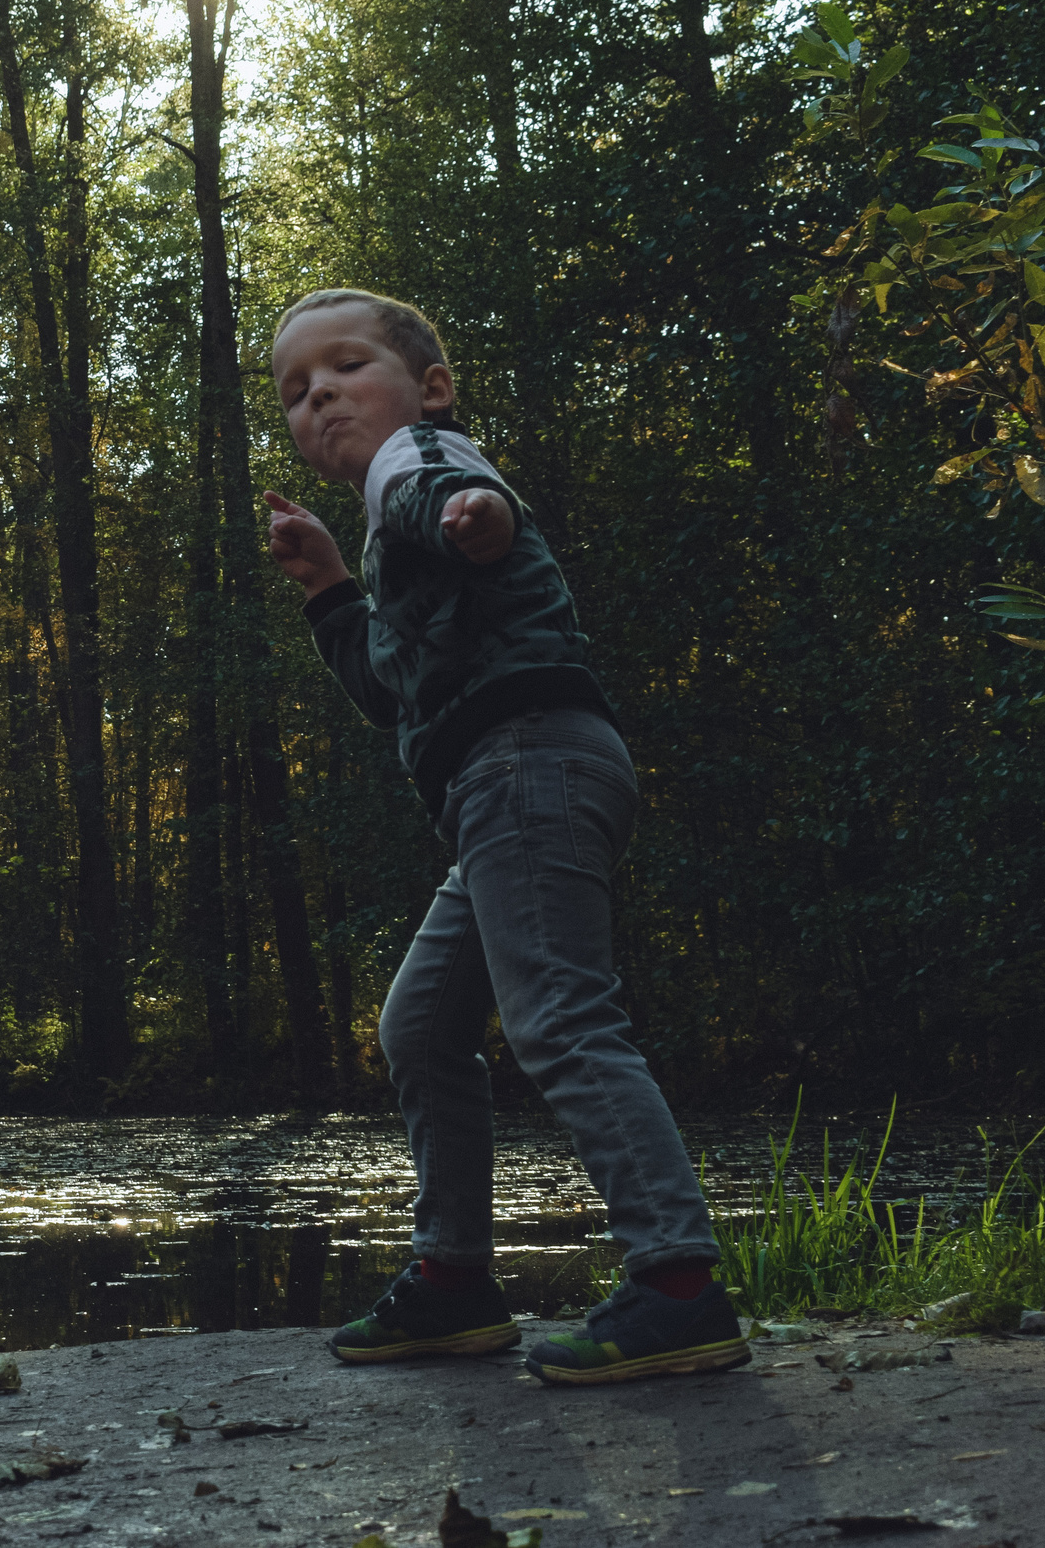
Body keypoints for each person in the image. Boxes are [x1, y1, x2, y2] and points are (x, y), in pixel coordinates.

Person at [263, 288, 747, 1386]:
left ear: (427, 387)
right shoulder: (390, 524)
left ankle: (678, 1290)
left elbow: (458, 492)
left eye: (343, 368)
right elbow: (392, 694)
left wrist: (476, 510)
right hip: (499, 786)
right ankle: (453, 1288)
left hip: (526, 760)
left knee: (562, 1019)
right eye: (297, 392)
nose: (320, 395)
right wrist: (329, 586)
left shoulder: (418, 462)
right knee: (422, 1028)